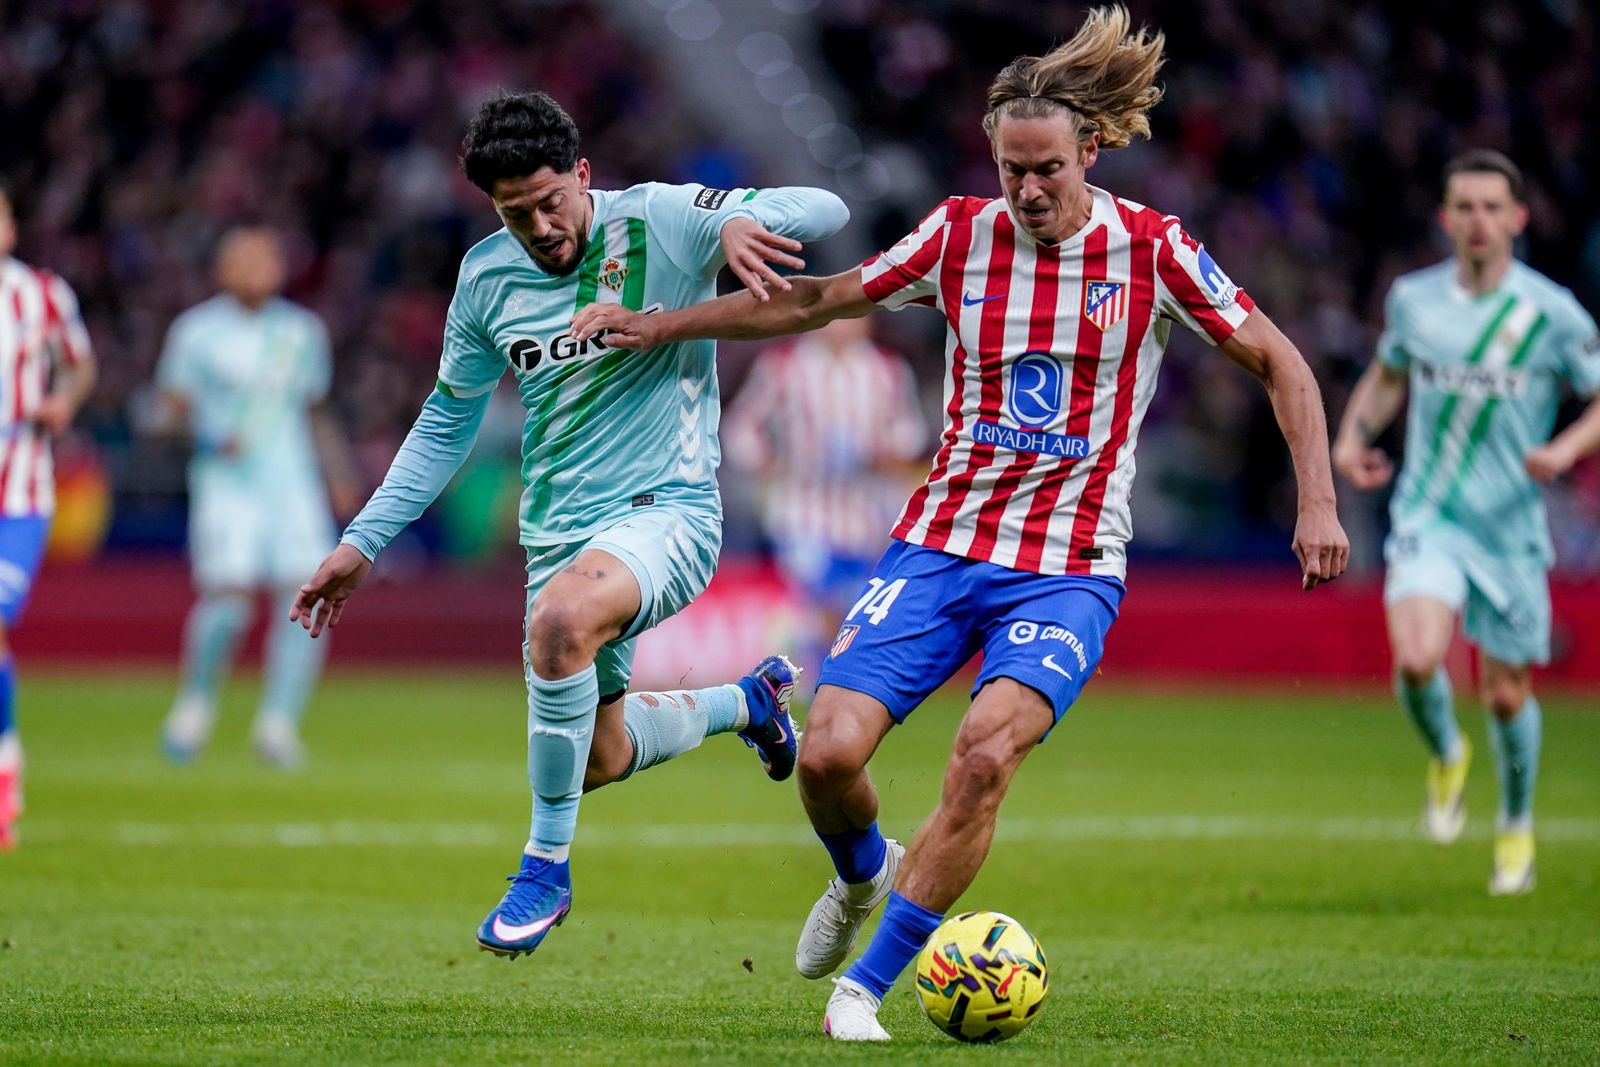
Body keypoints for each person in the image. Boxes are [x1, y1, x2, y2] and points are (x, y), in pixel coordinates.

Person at [574, 6, 1349, 1040]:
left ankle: (866, 987)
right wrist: (665, 322)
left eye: (1046, 171)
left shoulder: (1152, 249)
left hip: (1067, 566)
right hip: (938, 546)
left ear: (1093, 150)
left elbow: (1281, 361)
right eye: (1010, 169)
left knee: (984, 755)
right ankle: (859, 874)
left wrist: (1317, 499)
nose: (1026, 191)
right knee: (826, 756)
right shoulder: (955, 236)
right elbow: (818, 301)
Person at [290, 90, 850, 959]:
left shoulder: (661, 217)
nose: (541, 224)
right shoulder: (485, 280)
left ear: (584, 175)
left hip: (671, 510)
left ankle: (544, 866)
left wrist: (748, 223)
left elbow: (828, 207)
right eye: (517, 212)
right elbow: (447, 421)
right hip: (560, 535)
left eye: (553, 200)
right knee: (598, 754)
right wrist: (362, 540)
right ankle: (748, 702)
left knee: (560, 625)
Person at [1333, 150, 1600, 896]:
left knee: (1508, 693)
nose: (1478, 220)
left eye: (1492, 207)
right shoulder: (1415, 301)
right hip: (1430, 512)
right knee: (1418, 658)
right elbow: (1388, 374)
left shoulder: (1550, 312)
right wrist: (1352, 437)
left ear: (1516, 218)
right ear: (1446, 218)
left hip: (1511, 529)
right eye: (1464, 206)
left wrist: (1565, 446)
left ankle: (1515, 822)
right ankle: (1448, 751)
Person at [156, 227, 359, 770]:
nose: (254, 269)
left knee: (308, 597)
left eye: (265, 258)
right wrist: (201, 435)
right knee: (227, 601)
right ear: (222, 268)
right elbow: (164, 413)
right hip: (227, 485)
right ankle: (195, 704)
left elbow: (315, 410)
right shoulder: (196, 332)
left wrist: (339, 473)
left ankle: (278, 723)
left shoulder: (302, 332)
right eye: (241, 259)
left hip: (293, 485)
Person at [721, 317, 928, 690]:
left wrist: (886, 455)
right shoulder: (784, 365)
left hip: (867, 512)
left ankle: (811, 663)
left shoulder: (887, 369)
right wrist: (765, 463)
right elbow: (742, 426)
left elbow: (909, 433)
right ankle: (816, 676)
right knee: (821, 597)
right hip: (802, 509)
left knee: (851, 605)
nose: (843, 327)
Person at [0, 187, 98, 849]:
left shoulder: (40, 292)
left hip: (21, 497)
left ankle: (4, 765)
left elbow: (80, 365)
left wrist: (62, 400)